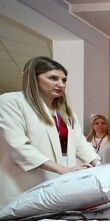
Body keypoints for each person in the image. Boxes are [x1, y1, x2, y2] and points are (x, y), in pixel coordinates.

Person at [0, 56, 100, 207]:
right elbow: (18, 146)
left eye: (64, 80)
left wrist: (97, 163)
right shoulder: (12, 102)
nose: (61, 84)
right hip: (24, 183)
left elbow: (80, 141)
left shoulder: (66, 112)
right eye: (53, 78)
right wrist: (63, 170)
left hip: (60, 182)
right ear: (33, 78)